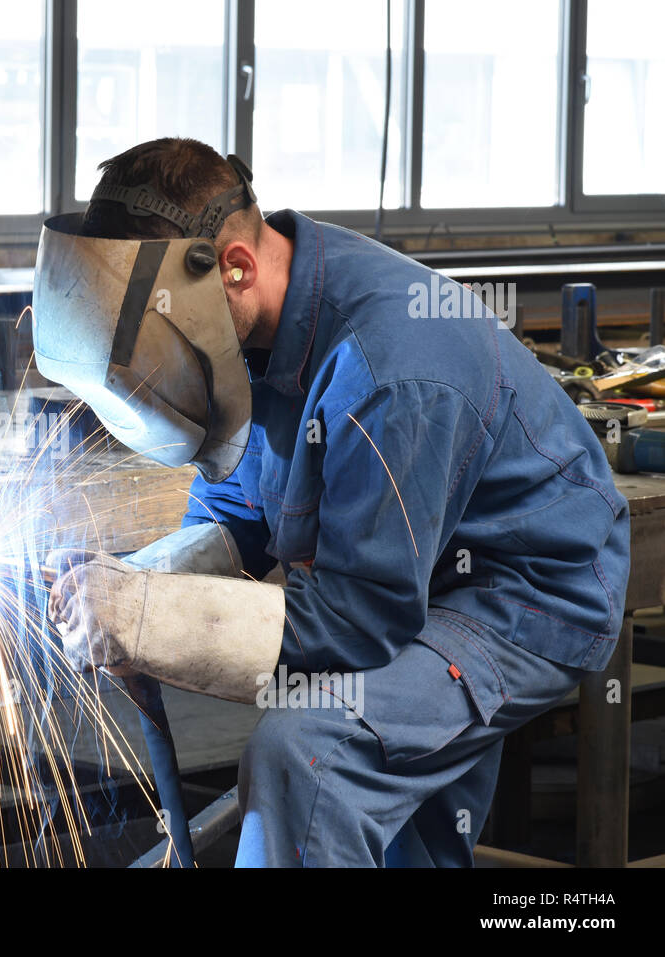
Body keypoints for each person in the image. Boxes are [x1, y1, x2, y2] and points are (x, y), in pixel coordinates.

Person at [33, 137, 630, 866]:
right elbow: (238, 506)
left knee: (306, 755)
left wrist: (151, 617)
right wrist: (142, 584)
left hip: (522, 591)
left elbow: (361, 618)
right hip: (407, 569)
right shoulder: (252, 326)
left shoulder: (388, 368)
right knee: (406, 827)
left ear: (235, 267)